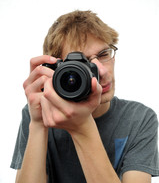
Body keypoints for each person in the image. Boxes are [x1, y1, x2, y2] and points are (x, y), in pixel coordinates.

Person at [11, 10, 159, 183]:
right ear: (56, 71)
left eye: (104, 54)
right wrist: (38, 125)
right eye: (84, 64)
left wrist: (82, 128)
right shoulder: (39, 113)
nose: (102, 71)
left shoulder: (139, 119)